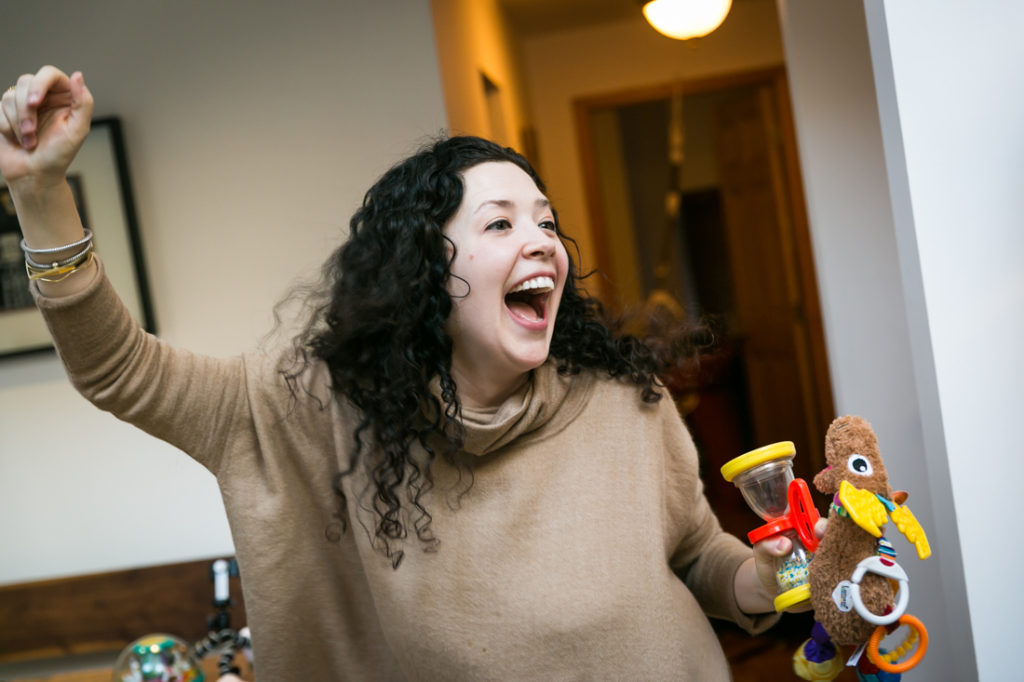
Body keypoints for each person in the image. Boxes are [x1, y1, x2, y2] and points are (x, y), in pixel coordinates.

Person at [1, 66, 808, 681]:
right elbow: (119, 370)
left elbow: (700, 557)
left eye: (548, 222)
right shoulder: (307, 409)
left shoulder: (624, 399)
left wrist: (776, 578)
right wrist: (40, 195)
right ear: (423, 270)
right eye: (500, 223)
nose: (543, 243)